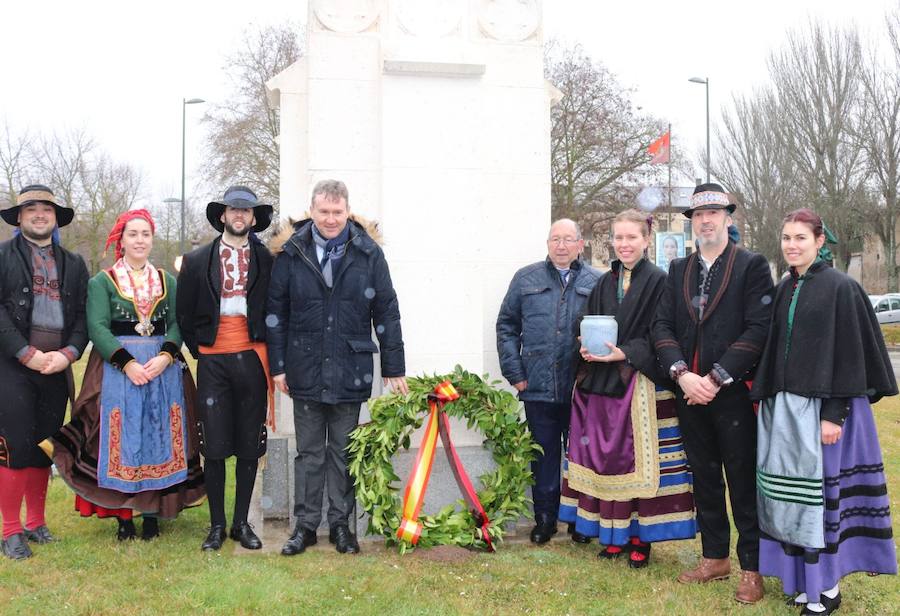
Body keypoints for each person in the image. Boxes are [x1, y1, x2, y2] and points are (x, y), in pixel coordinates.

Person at [751, 209, 897, 615]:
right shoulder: (785, 288)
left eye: (800, 238)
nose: (792, 245)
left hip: (828, 414)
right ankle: (801, 581)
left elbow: (850, 354)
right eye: (786, 238)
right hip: (788, 413)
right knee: (794, 500)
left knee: (824, 501)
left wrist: (833, 414)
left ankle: (827, 589)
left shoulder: (841, 288)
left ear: (819, 242)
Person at [268, 179, 407, 556]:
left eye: (337, 212)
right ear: (311, 211)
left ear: (348, 211)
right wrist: (278, 366)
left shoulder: (368, 254)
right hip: (305, 368)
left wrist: (393, 367)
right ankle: (306, 526)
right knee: (309, 452)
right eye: (324, 212)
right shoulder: (292, 253)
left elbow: (387, 311)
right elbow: (276, 313)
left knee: (343, 452)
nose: (331, 219)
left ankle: (342, 526)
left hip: (350, 368)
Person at [652, 183, 774, 604]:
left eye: (714, 213)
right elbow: (661, 327)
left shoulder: (752, 265)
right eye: (698, 215)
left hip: (733, 392)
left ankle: (752, 568)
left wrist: (717, 376)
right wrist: (682, 374)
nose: (706, 220)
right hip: (689, 392)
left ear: (728, 218)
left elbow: (759, 328)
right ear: (692, 222)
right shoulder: (678, 268)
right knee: (704, 476)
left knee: (741, 481)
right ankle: (715, 558)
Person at [52, 209, 205, 541]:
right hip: (118, 370)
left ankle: (152, 514)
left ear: (152, 239)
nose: (140, 240)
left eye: (145, 234)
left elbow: (178, 323)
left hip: (162, 371)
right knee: (122, 439)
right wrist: (128, 363)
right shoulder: (102, 282)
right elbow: (97, 327)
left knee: (159, 435)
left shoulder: (168, 281)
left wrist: (166, 356)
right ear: (121, 240)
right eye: (133, 234)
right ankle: (123, 516)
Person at [559, 209, 696, 568]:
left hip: (643, 384)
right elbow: (587, 321)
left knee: (639, 463)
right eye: (618, 238)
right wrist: (584, 345)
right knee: (608, 461)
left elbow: (666, 332)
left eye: (631, 237)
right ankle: (613, 535)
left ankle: (641, 538)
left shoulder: (662, 281)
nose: (624, 244)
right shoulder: (604, 283)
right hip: (602, 384)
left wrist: (629, 353)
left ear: (646, 240)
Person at [177, 186, 274, 551]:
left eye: (246, 211)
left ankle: (240, 524)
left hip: (252, 356)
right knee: (213, 444)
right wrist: (200, 350)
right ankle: (216, 525)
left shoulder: (268, 260)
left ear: (253, 218)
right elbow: (183, 311)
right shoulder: (198, 259)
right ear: (223, 215)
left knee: (250, 444)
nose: (240, 215)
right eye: (234, 209)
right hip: (213, 358)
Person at [496, 218, 601, 544]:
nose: (561, 245)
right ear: (547, 243)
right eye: (555, 239)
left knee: (582, 456)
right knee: (543, 455)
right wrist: (516, 375)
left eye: (568, 239)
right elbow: (507, 327)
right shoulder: (526, 278)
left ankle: (580, 521)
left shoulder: (596, 281)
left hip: (581, 388)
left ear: (580, 244)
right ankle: (545, 519)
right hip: (538, 387)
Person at [0, 185, 89, 560]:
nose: (39, 214)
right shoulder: (2, 256)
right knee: (15, 447)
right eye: (31, 209)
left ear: (55, 218)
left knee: (44, 447)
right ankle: (10, 531)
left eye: (46, 209)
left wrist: (68, 354)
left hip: (57, 365)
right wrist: (25, 353)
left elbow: (83, 317)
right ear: (19, 217)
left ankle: (36, 523)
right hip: (12, 365)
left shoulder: (74, 263)